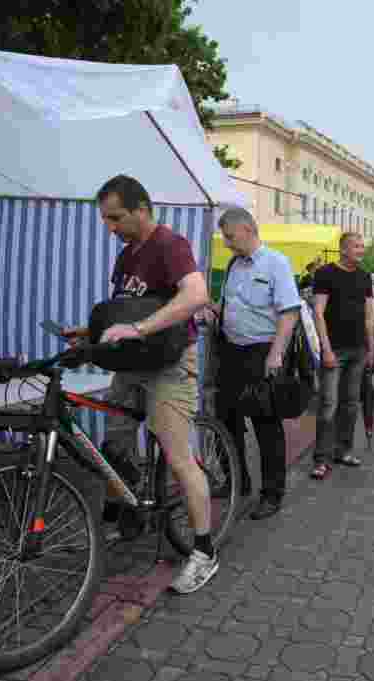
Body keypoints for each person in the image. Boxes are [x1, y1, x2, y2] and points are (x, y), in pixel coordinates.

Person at [63, 175, 215, 594]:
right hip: (132, 361)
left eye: (116, 217)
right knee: (114, 443)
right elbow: (124, 310)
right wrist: (88, 333)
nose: (109, 227)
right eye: (106, 219)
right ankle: (125, 519)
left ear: (142, 209)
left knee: (179, 456)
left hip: (168, 363)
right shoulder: (126, 256)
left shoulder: (171, 245)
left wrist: (140, 327)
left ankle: (203, 552)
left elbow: (197, 294)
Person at [206, 207, 302, 520]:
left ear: (248, 229)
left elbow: (289, 312)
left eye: (231, 237)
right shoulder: (233, 264)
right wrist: (212, 313)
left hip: (262, 353)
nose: (229, 243)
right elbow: (230, 305)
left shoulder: (276, 262)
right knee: (226, 419)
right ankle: (237, 481)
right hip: (230, 352)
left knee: (265, 425)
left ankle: (272, 494)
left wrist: (276, 354)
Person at [310, 232, 374, 480]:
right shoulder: (325, 273)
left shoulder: (365, 276)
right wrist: (325, 349)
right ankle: (321, 459)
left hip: (358, 349)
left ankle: (344, 450)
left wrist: (371, 347)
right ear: (343, 249)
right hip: (334, 350)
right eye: (357, 246)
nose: (361, 250)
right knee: (328, 404)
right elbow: (318, 312)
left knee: (350, 404)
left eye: (362, 246)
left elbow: (369, 316)